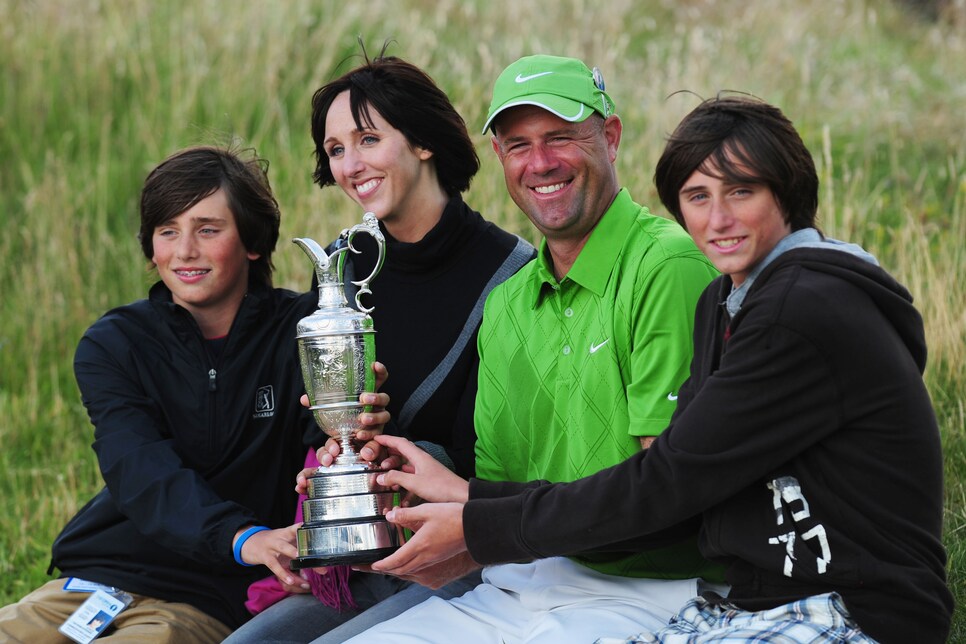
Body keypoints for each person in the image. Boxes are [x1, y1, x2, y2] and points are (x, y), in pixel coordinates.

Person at [360, 95, 954, 643]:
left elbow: (664, 484)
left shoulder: (802, 307)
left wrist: (480, 527)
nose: (717, 219)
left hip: (854, 609)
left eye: (741, 192)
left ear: (788, 193)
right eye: (697, 197)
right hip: (752, 607)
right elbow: (673, 501)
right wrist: (477, 503)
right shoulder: (726, 303)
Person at [330, 54, 724, 644]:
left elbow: (664, 506)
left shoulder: (665, 266)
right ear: (500, 159)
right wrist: (401, 502)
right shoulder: (509, 304)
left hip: (649, 592)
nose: (539, 163)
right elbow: (502, 493)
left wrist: (471, 512)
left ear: (610, 137)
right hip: (519, 586)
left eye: (560, 137)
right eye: (518, 145)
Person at [0, 146, 388, 642]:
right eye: (168, 231)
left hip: (205, 598)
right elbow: (139, 467)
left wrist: (360, 428)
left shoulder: (306, 332)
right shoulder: (116, 342)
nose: (184, 251)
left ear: (251, 242)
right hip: (96, 579)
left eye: (207, 229)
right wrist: (240, 537)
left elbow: (327, 451)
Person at [224, 49, 534, 643]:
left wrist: (402, 449)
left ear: (422, 142)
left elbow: (502, 461)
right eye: (336, 149)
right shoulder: (341, 266)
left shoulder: (511, 275)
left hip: (461, 557)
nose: (349, 165)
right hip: (360, 551)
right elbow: (321, 431)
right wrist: (331, 453)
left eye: (367, 139)